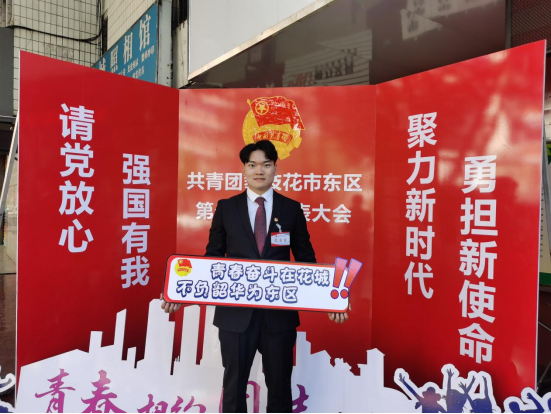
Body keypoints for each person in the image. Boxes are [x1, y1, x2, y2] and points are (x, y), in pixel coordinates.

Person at [162, 140, 350, 413]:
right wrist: (179, 293)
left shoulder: (291, 209)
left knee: (280, 388)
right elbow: (212, 259)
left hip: (279, 317)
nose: (259, 171)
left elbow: (306, 262)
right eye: (252, 165)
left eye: (266, 164)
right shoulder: (227, 208)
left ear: (275, 168)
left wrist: (331, 301)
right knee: (234, 388)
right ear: (244, 169)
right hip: (235, 317)